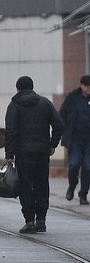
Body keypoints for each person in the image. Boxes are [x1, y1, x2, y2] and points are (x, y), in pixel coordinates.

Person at [5, 75, 63, 234]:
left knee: (25, 185)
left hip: (23, 153)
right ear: (32, 87)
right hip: (42, 151)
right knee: (41, 185)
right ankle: (41, 220)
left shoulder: (14, 105)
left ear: (17, 88)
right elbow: (58, 124)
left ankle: (29, 220)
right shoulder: (45, 103)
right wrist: (52, 144)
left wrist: (9, 153)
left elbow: (11, 131)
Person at [58, 74, 90, 204]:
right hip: (75, 139)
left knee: (88, 167)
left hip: (89, 140)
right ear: (82, 86)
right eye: (87, 86)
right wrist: (65, 131)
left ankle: (83, 194)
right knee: (74, 164)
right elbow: (62, 115)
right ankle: (72, 185)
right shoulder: (72, 98)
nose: (89, 89)